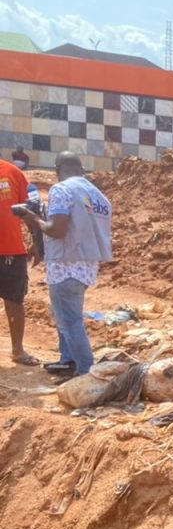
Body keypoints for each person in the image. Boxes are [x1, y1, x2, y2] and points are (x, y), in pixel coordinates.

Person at [18, 152, 113, 377]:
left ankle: (85, 373)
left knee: (70, 321)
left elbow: (58, 230)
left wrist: (34, 221)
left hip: (65, 265)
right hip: (87, 265)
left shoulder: (61, 190)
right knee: (65, 315)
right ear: (81, 169)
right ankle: (68, 360)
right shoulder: (99, 196)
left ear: (57, 169)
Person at [0, 157, 39, 366]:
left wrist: (36, 240)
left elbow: (29, 210)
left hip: (11, 250)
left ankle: (18, 350)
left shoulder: (12, 172)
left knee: (15, 300)